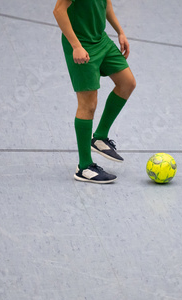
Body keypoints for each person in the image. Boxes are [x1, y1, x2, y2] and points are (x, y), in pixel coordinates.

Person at [53, 0, 136, 184]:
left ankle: (99, 138)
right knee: (88, 104)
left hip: (101, 39)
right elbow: (58, 10)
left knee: (127, 83)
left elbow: (105, 3)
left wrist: (120, 31)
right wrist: (76, 46)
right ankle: (84, 167)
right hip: (81, 44)